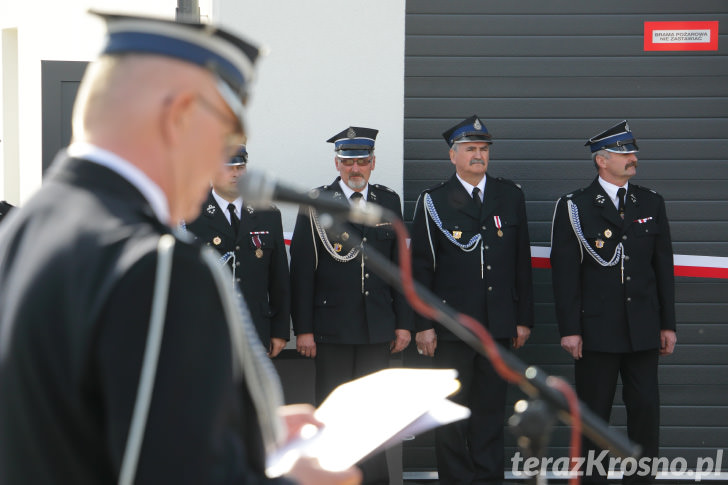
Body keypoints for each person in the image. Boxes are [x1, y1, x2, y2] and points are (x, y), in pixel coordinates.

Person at [0, 12, 360, 485]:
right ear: (179, 117)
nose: (227, 160)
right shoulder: (159, 265)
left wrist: (250, 435)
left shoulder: (26, 228)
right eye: (226, 137)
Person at [410, 115, 534, 484]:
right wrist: (424, 325)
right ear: (453, 156)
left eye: (483, 149)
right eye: (470, 149)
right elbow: (421, 270)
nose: (479, 155)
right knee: (450, 414)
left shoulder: (509, 195)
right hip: (451, 329)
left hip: (497, 326)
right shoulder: (433, 201)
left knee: (491, 413)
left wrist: (522, 318)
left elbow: (521, 264)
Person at [550, 120, 676, 483]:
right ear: (601, 160)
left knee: (646, 411)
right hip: (596, 331)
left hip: (643, 330)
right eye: (625, 154)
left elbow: (662, 269)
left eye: (632, 153)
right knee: (593, 416)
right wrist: (570, 329)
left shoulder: (650, 201)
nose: (633, 159)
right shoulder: (575, 205)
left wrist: (668, 324)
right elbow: (565, 274)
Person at [289, 126, 412, 484]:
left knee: (373, 415)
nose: (355, 168)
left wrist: (403, 323)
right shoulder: (316, 202)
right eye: (348, 162)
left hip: (377, 327)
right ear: (337, 163)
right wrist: (305, 329)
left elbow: (399, 270)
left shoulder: (388, 202)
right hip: (332, 329)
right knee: (333, 413)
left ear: (373, 163)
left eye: (362, 161)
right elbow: (302, 271)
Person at [186, 144, 290, 357]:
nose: (236, 174)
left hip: (255, 329)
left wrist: (280, 331)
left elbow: (279, 277)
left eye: (240, 167)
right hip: (206, 330)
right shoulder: (191, 215)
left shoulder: (267, 214)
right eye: (228, 168)